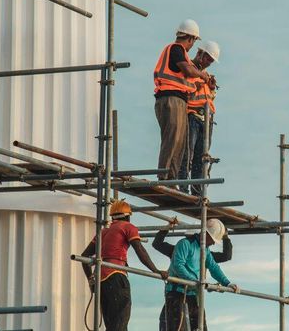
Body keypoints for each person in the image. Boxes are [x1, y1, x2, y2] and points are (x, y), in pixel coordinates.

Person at [81, 200, 168, 331]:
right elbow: (140, 250)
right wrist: (156, 270)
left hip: (101, 280)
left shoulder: (103, 232)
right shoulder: (128, 227)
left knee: (112, 324)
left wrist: (91, 280)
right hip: (116, 276)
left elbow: (84, 257)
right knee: (121, 321)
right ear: (128, 216)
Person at [154, 19, 211, 182]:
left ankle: (171, 178)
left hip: (177, 100)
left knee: (179, 142)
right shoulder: (176, 49)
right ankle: (164, 177)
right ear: (191, 38)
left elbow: (188, 76)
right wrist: (201, 74)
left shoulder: (181, 55)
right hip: (170, 99)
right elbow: (188, 70)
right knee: (172, 139)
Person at [164, 219, 239, 331]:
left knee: (200, 328)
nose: (214, 243)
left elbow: (214, 267)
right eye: (213, 240)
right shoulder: (185, 244)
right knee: (177, 327)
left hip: (193, 293)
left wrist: (227, 283)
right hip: (177, 293)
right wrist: (194, 281)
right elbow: (178, 265)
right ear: (206, 234)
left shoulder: (205, 250)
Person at [178, 40, 220, 195]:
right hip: (192, 117)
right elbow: (185, 91)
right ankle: (183, 188)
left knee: (200, 159)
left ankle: (197, 192)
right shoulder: (189, 70)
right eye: (208, 58)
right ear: (200, 53)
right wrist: (198, 85)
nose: (209, 62)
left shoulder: (205, 75)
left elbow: (208, 98)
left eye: (211, 60)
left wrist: (211, 88)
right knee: (186, 155)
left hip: (206, 120)